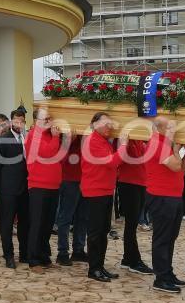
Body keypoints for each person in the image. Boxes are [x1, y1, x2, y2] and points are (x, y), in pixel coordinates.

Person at [145, 116, 185, 294]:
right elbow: (174, 165)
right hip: (161, 196)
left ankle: (167, 273)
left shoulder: (167, 144)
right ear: (160, 129)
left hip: (173, 195)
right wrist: (177, 149)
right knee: (162, 238)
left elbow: (182, 169)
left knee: (171, 237)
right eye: (172, 128)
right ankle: (161, 278)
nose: (175, 131)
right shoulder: (157, 143)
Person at [80, 112, 125, 282]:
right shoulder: (92, 141)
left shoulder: (103, 141)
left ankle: (100, 265)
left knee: (103, 231)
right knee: (95, 232)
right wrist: (123, 146)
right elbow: (112, 162)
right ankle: (94, 268)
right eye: (106, 123)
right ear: (94, 124)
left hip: (105, 189)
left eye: (110, 124)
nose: (109, 127)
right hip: (95, 190)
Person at [25, 108, 67, 274]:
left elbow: (60, 157)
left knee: (47, 224)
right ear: (36, 121)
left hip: (53, 185)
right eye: (46, 119)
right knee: (37, 224)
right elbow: (47, 153)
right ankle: (33, 259)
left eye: (50, 118)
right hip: (38, 186)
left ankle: (43, 256)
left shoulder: (50, 135)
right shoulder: (33, 135)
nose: (50, 121)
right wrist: (57, 138)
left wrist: (65, 140)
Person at [0, 109, 29, 269]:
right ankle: (9, 255)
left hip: (25, 189)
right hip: (7, 189)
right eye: (16, 120)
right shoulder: (3, 139)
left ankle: (24, 253)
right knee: (6, 224)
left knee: (25, 223)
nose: (19, 122)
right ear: (11, 122)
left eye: (22, 120)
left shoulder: (27, 139)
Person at [117, 139, 154, 275]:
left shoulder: (141, 140)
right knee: (131, 224)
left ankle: (128, 258)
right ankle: (134, 260)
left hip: (140, 182)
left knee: (132, 224)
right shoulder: (127, 140)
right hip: (129, 182)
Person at [54, 135, 87, 266]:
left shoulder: (87, 137)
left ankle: (78, 250)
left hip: (85, 179)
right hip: (69, 179)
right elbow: (60, 158)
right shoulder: (66, 136)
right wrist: (69, 140)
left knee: (83, 217)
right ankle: (62, 252)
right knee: (66, 217)